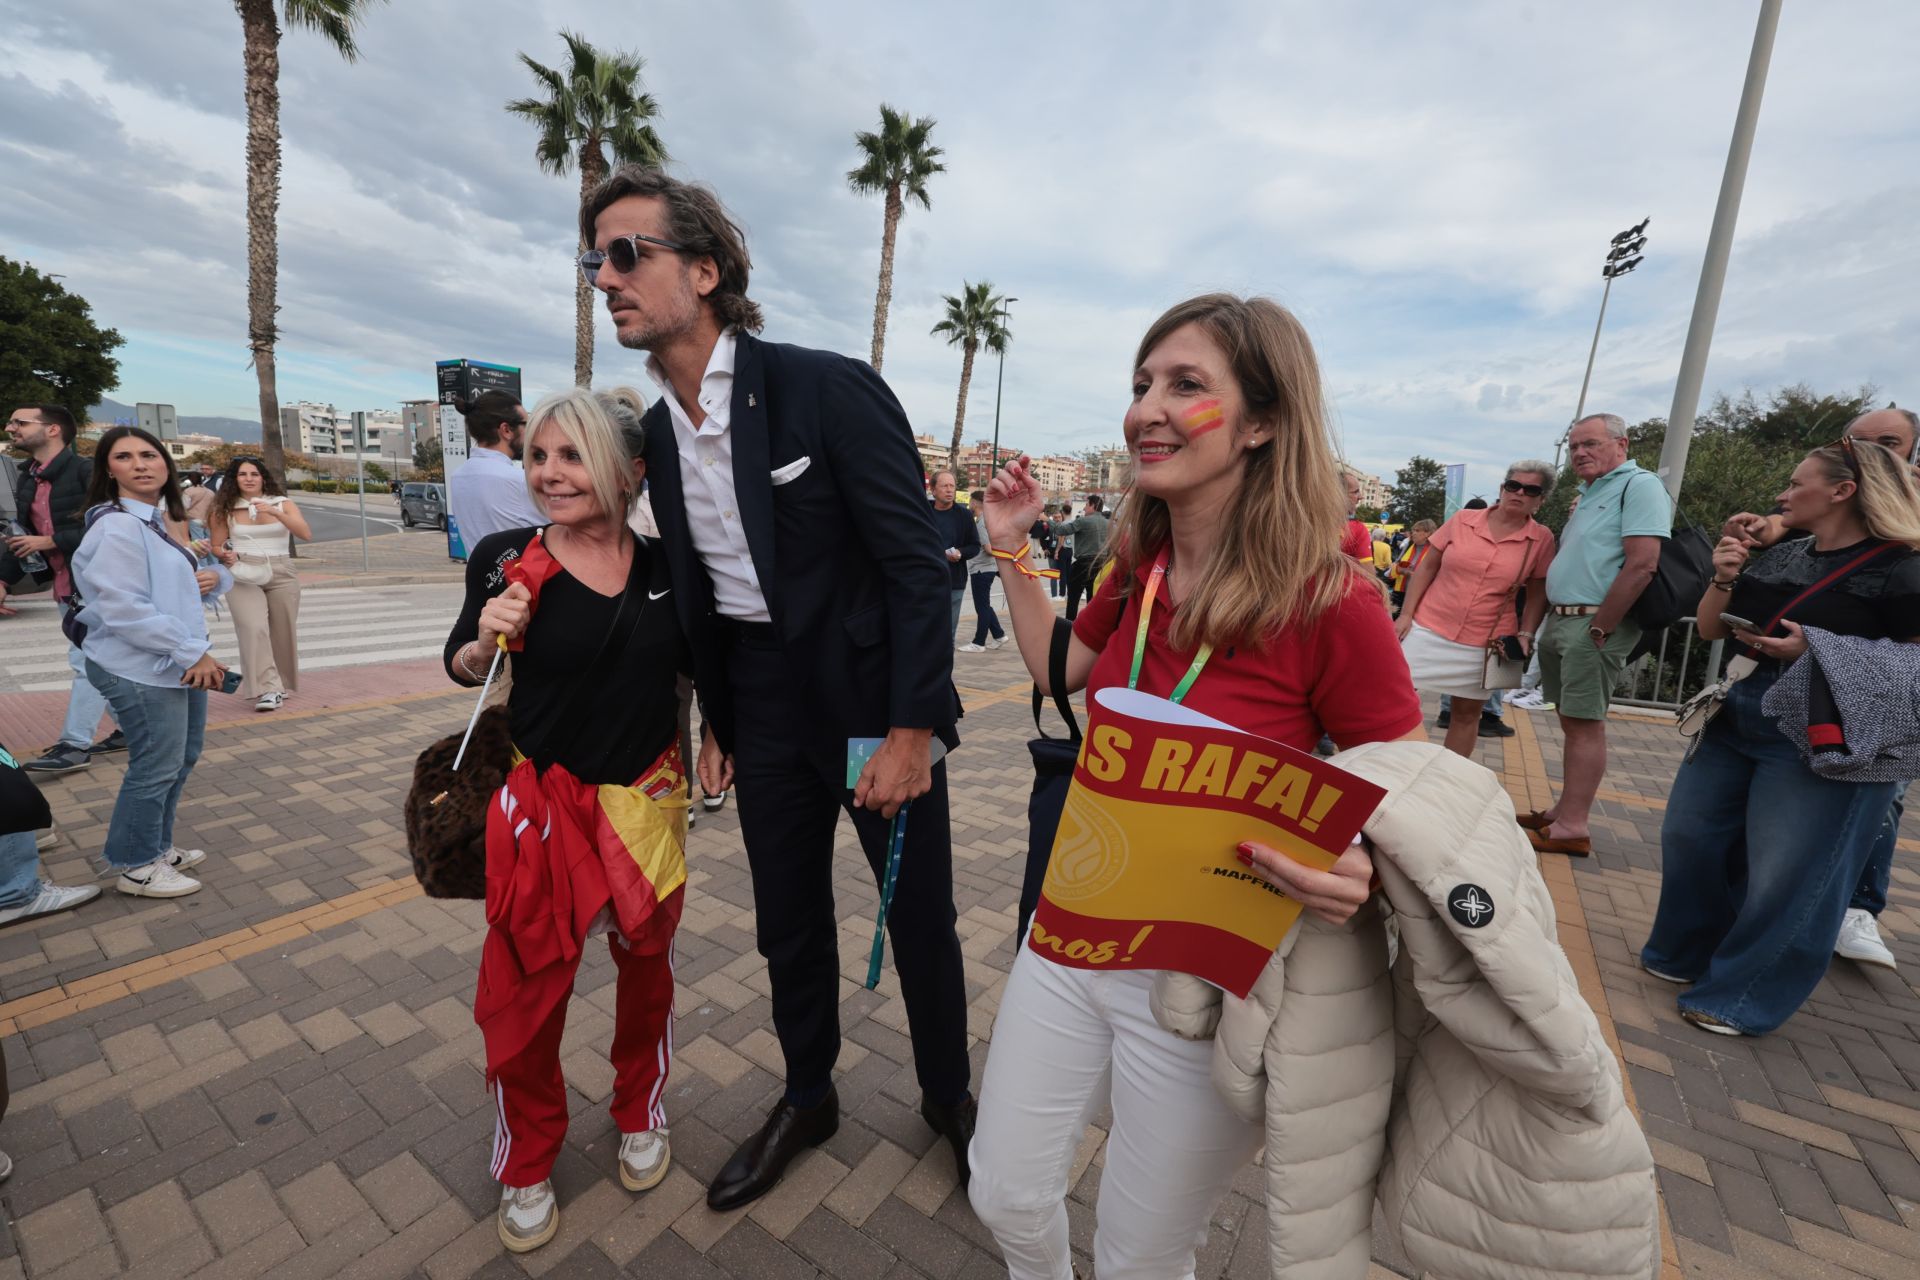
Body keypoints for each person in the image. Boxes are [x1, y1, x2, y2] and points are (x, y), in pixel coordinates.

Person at [969, 293, 1422, 1278]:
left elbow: (1413, 790)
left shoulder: (1332, 600)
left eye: (1185, 385)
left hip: (1207, 979)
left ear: (1261, 421)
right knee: (1002, 1187)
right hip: (1073, 933)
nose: (1146, 409)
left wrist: (1366, 869)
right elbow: (1058, 675)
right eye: (1141, 384)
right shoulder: (1140, 563)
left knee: (1141, 1253)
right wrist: (1009, 545)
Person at [581, 166, 975, 1208]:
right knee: (786, 917)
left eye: (629, 255)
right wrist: (717, 713)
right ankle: (810, 1094)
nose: (605, 278)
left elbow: (911, 566)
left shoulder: (822, 385)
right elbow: (709, 585)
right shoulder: (657, 431)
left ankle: (949, 1097)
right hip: (760, 703)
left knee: (920, 916)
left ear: (704, 271)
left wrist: (908, 729)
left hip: (867, 699)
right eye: (595, 260)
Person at [444, 387, 690, 1253]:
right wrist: (485, 638)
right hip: (540, 805)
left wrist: (718, 739)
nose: (549, 474)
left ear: (628, 471)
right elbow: (460, 663)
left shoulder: (667, 565)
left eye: (572, 456)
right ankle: (527, 1160)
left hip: (645, 803)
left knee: (646, 976)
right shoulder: (506, 556)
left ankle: (639, 1112)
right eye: (539, 456)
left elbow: (693, 669)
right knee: (526, 994)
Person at [1643, 439, 1920, 1036]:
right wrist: (1722, 577)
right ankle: (1686, 954)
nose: (1781, 495)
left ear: (1843, 491)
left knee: (1792, 872)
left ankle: (1740, 998)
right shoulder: (1786, 553)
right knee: (1690, 837)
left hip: (1826, 728)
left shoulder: (1904, 568)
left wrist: (1817, 651)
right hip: (1740, 706)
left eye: (1796, 484)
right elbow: (1715, 626)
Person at [1723, 405, 1920, 972]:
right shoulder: (1807, 537)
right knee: (1747, 846)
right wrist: (1769, 527)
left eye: (1887, 440)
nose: (1870, 447)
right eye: (1856, 440)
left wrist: (1822, 649)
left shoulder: (1905, 559)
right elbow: (1798, 523)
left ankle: (1858, 909)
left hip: (1858, 725)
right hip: (1765, 706)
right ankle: (1733, 950)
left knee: (1854, 825)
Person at [70, 426, 231, 899]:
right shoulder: (116, 525)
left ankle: (156, 846)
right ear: (108, 470)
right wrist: (191, 652)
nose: (140, 464)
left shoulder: (153, 521)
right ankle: (137, 864)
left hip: (172, 662)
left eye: (149, 454)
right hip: (142, 666)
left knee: (180, 757)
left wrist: (212, 577)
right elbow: (123, 608)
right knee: (156, 764)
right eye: (124, 457)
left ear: (166, 464)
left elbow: (180, 583)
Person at [1517, 413, 1669, 856]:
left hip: (1592, 623)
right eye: (1574, 446)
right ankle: (1563, 813)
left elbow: (1643, 563)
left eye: (1591, 444)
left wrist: (1602, 625)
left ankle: (1573, 826)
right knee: (1572, 721)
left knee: (1584, 725)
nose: (1580, 452)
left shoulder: (1637, 485)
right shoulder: (1590, 492)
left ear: (1622, 445)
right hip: (1567, 620)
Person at [1396, 463, 1556, 757]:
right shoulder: (1463, 519)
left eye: (1530, 489)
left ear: (1541, 499)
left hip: (1489, 640)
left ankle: (1447, 781)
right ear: (1502, 488)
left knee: (1467, 716)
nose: (1519, 492)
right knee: (1391, 698)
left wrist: (1527, 633)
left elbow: (1537, 594)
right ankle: (1388, 768)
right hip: (1429, 624)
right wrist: (1406, 615)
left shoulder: (1542, 538)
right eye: (1513, 485)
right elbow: (1427, 566)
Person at [4, 406, 124, 773]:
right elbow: (23, 537)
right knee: (97, 659)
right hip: (64, 583)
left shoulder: (87, 472)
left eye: (19, 422)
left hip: (98, 582)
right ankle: (134, 727)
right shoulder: (29, 477)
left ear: (53, 429)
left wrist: (51, 540)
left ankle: (75, 744)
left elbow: (114, 524)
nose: (11, 428)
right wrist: (4, 578)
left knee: (87, 661)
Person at [207, 457, 310, 712]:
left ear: (263, 477)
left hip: (281, 569)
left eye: (254, 473)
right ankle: (268, 688)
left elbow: (305, 533)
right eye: (243, 474)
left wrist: (274, 511)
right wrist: (225, 554)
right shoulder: (224, 507)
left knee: (281, 630)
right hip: (243, 570)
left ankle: (280, 683)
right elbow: (217, 545)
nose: (249, 478)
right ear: (234, 479)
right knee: (253, 628)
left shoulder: (282, 503)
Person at [447, 390, 545, 547]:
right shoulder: (519, 481)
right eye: (526, 425)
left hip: (478, 570)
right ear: (506, 430)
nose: (530, 433)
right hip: (521, 571)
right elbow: (560, 531)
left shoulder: (458, 476)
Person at [927, 470, 977, 643]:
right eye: (944, 486)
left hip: (954, 581)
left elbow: (975, 546)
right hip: (926, 582)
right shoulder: (924, 513)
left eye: (952, 486)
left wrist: (960, 553)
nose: (949, 490)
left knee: (948, 634)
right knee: (926, 631)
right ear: (933, 490)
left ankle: (943, 669)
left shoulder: (964, 515)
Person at [960, 490, 1007, 653]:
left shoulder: (981, 523)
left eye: (970, 501)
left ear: (975, 503)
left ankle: (979, 642)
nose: (969, 504)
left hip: (981, 569)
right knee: (985, 605)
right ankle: (999, 635)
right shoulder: (988, 520)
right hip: (987, 568)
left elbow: (988, 548)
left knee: (981, 607)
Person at [1063, 493, 1109, 619]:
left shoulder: (1083, 521)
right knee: (1093, 598)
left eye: (1086, 505)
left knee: (1073, 598)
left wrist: (1047, 521)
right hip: (1101, 564)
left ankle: (1070, 625)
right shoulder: (1108, 523)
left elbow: (1062, 530)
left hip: (1083, 564)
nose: (1084, 508)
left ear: (1092, 506)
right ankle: (1090, 626)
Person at [1389, 518, 1435, 613]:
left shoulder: (1434, 550)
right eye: (1413, 530)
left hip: (1419, 596)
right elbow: (1395, 565)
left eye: (1417, 531)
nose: (1413, 533)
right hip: (1400, 593)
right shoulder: (1409, 545)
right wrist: (1402, 571)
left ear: (1428, 533)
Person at [1341, 471, 1373, 562]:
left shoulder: (1309, 522)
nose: (1361, 497)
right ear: (1339, 495)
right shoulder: (1357, 529)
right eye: (1356, 492)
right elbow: (1368, 573)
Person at [1049, 503, 1075, 598]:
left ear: (1063, 512)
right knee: (1068, 573)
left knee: (1062, 573)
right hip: (1070, 549)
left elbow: (1061, 539)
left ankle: (1062, 593)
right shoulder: (1073, 522)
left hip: (1063, 550)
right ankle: (1069, 592)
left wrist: (1056, 551)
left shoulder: (1063, 524)